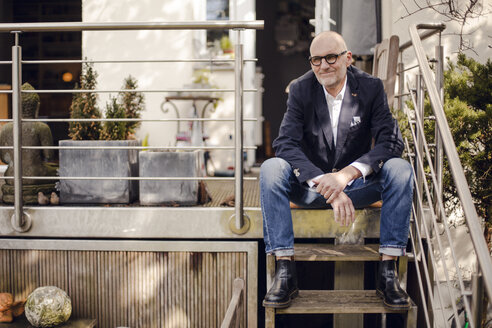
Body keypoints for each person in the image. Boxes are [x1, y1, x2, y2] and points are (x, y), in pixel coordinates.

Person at [261, 31, 413, 310]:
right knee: (271, 168)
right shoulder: (300, 89)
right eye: (316, 60)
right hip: (310, 187)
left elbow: (391, 142)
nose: (323, 65)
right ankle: (285, 271)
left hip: (356, 186)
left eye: (331, 57)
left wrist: (345, 176)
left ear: (348, 58)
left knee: (400, 169)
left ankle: (388, 273)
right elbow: (285, 143)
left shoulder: (371, 87)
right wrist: (326, 183)